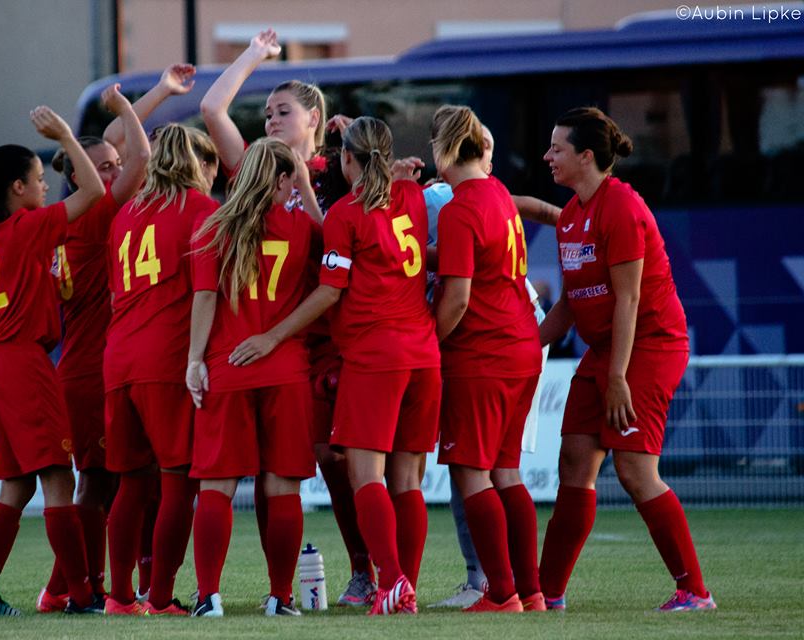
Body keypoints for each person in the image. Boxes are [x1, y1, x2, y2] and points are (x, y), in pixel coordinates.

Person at [228, 117, 441, 616]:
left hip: (374, 355)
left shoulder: (345, 214)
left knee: (366, 475)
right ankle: (404, 585)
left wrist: (274, 334)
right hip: (424, 355)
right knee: (406, 480)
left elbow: (330, 289)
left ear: (347, 160)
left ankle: (390, 583)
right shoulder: (411, 197)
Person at [201, 28, 375, 607]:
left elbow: (344, 245)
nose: (271, 120)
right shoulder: (254, 170)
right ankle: (281, 589)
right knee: (284, 469)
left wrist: (321, 180)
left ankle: (363, 570)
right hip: (278, 344)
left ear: (315, 118)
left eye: (282, 111)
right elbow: (212, 107)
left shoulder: (333, 170)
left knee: (336, 460)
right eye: (267, 112)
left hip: (329, 337)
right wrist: (252, 55)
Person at [538, 106, 715, 612]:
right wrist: (527, 346)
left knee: (636, 469)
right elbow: (572, 303)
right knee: (573, 460)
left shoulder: (620, 206)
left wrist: (616, 377)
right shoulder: (571, 214)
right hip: (607, 350)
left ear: (586, 156)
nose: (548, 156)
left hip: (650, 346)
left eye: (557, 148)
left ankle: (695, 592)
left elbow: (629, 300)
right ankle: (545, 595)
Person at [0, 106, 106, 616]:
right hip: (22, 363)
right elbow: (95, 194)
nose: (46, 188)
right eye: (40, 179)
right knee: (60, 482)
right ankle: (82, 596)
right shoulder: (26, 228)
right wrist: (65, 134)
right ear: (17, 189)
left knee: (15, 486)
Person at [422, 121, 558, 610]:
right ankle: (531, 590)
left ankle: (500, 593)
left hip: (482, 353)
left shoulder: (459, 209)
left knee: (471, 473)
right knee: (507, 473)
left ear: (443, 152)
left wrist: (428, 344)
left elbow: (457, 300)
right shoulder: (497, 192)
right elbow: (472, 258)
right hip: (521, 345)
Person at [186, 138, 318, 618]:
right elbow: (329, 279)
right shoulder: (301, 224)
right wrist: (306, 183)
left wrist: (193, 362)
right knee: (283, 488)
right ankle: (279, 597)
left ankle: (209, 598)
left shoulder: (212, 227)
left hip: (227, 368)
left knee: (215, 488)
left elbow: (204, 299)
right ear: (284, 180)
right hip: (286, 369)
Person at [35, 80, 151, 613]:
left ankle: (66, 586)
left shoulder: (68, 221)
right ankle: (70, 586)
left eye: (110, 166)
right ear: (80, 174)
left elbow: (121, 144)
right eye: (101, 167)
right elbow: (141, 156)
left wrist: (162, 93)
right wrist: (129, 105)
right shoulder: (92, 217)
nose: (111, 172)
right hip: (91, 373)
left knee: (101, 486)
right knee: (98, 487)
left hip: (82, 369)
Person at [102, 123, 221, 616]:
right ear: (196, 162)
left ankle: (120, 596)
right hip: (165, 356)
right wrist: (195, 358)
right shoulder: (202, 210)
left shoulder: (124, 214)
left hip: (119, 357)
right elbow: (205, 291)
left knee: (131, 483)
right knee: (177, 481)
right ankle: (162, 596)